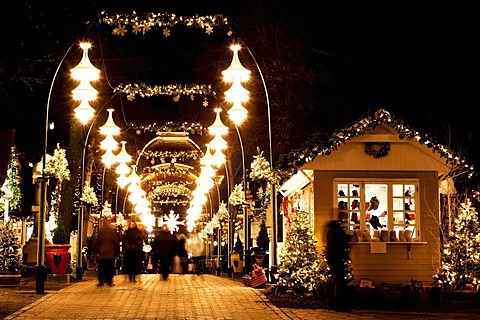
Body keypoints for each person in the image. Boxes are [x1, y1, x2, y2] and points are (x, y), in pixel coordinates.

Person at [325, 212, 351, 311]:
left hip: (332, 257)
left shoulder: (330, 230)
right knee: (339, 280)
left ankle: (331, 303)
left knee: (335, 279)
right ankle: (338, 304)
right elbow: (343, 239)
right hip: (337, 257)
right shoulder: (337, 230)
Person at [96, 218, 120, 287]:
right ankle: (109, 281)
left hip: (102, 252)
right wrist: (116, 252)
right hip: (110, 253)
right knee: (109, 267)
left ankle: (101, 281)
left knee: (101, 267)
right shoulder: (112, 231)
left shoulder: (101, 231)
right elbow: (116, 242)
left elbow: (98, 242)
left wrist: (97, 251)